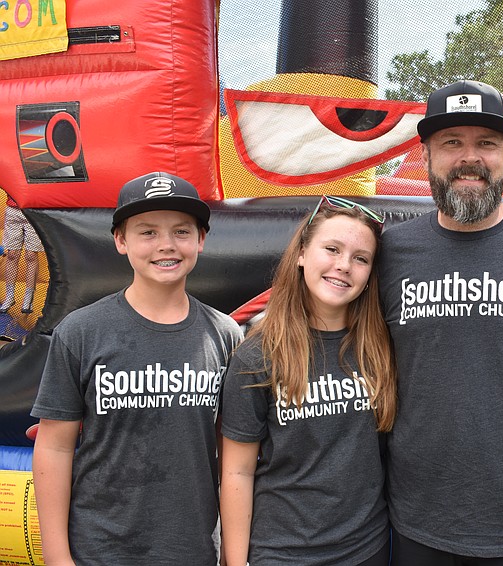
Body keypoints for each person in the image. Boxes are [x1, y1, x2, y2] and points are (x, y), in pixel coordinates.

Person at [378, 80, 503, 565]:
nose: (469, 158)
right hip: (415, 519)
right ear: (426, 155)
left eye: (486, 143)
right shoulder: (390, 253)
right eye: (452, 143)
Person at [30, 172, 243, 565]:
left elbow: (234, 456)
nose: (166, 245)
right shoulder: (80, 332)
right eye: (147, 232)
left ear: (201, 239)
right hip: (99, 550)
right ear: (120, 240)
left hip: (192, 550)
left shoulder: (225, 335)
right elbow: (54, 446)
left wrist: (233, 555)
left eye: (181, 231)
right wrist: (58, 558)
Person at [219, 195, 396, 566]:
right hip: (283, 552)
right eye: (331, 249)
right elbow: (236, 471)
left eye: (360, 258)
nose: (343, 266)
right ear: (301, 254)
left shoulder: (381, 349)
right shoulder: (256, 356)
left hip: (367, 549)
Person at [1, 197, 44, 314]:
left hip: (33, 210)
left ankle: (28, 299)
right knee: (12, 254)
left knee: (31, 255)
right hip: (13, 210)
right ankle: (9, 297)